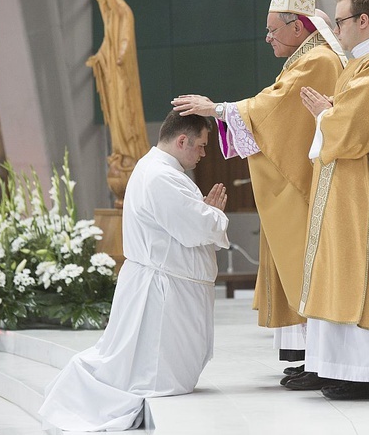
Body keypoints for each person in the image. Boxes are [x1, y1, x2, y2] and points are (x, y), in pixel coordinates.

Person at [172, 0, 346, 376]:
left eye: (272, 30)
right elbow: (273, 110)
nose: (266, 38)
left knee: (306, 265)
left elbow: (275, 110)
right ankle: (304, 357)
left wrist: (218, 110)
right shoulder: (303, 60)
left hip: (307, 189)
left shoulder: (318, 61)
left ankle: (317, 359)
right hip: (299, 185)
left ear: (298, 26)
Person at [39, 111, 229, 431]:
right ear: (182, 140)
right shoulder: (161, 176)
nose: (203, 153)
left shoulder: (156, 169)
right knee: (147, 372)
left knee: (149, 365)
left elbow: (187, 221)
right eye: (201, 145)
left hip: (164, 283)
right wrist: (213, 215)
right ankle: (79, 393)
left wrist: (203, 213)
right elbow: (194, 227)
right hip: (163, 288)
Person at [292, 0, 369, 400]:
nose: (337, 30)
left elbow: (352, 129)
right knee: (345, 277)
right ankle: (344, 369)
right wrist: (331, 110)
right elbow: (350, 118)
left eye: (341, 21)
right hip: (353, 195)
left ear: (364, 21)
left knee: (367, 279)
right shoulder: (363, 65)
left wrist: (327, 113)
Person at [87, 0, 151, 208]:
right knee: (116, 117)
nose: (101, 3)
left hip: (124, 77)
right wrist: (100, 58)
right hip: (114, 77)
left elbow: (125, 41)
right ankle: (121, 153)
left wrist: (120, 56)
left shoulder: (123, 13)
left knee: (126, 115)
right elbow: (107, 44)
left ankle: (130, 153)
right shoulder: (109, 17)